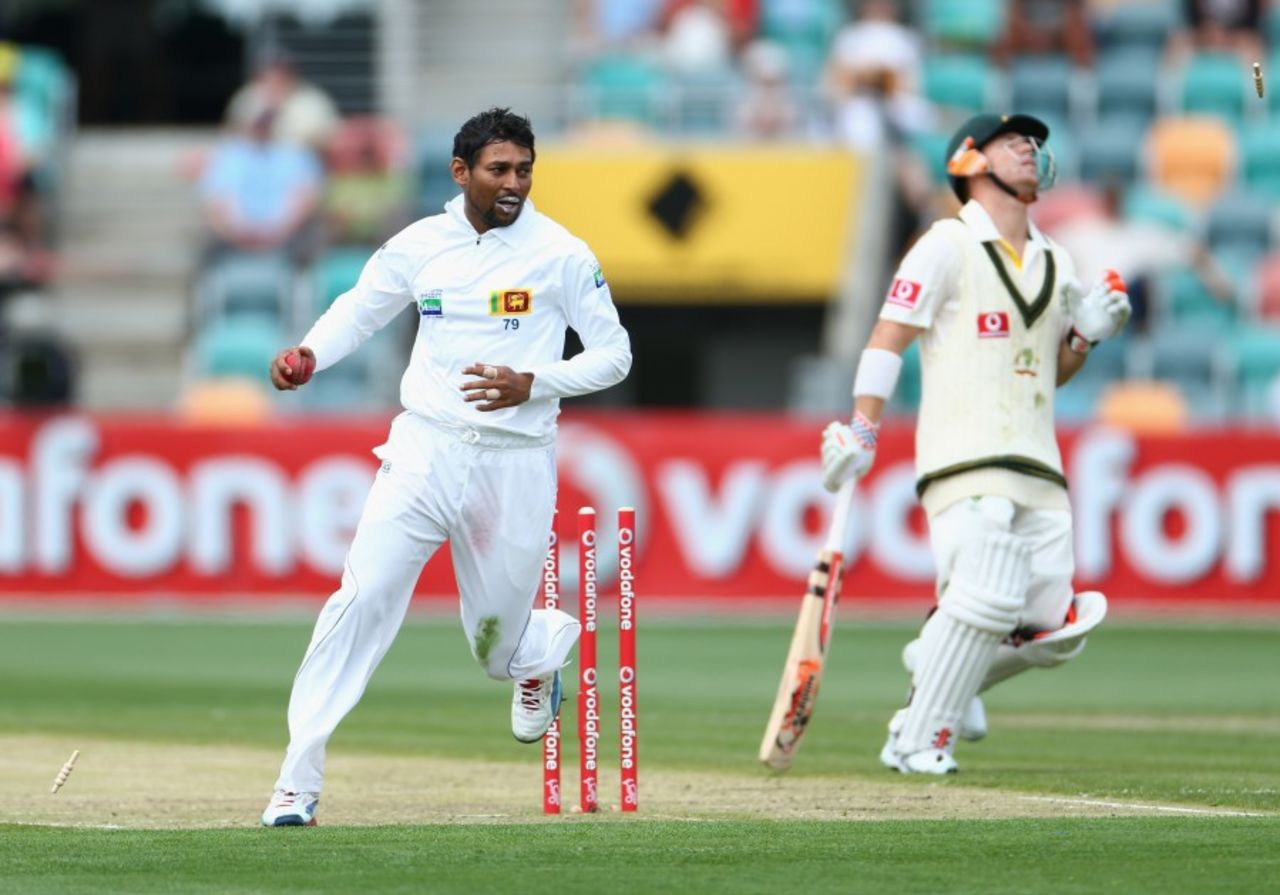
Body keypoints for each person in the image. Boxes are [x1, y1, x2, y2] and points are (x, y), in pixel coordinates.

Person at [260, 108, 632, 825]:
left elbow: (615, 354)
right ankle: (296, 782)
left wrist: (537, 381)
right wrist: (308, 353)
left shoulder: (561, 253)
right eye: (499, 169)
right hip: (424, 449)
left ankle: (538, 652)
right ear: (461, 172)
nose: (514, 182)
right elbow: (360, 310)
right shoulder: (421, 243)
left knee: (494, 648)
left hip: (513, 463)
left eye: (524, 168)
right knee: (359, 600)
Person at [819, 113, 1131, 774]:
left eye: (1034, 141)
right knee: (986, 592)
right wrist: (863, 427)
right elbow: (888, 337)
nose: (1029, 147)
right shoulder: (945, 243)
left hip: (1040, 463)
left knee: (1055, 628)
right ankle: (919, 738)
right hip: (962, 455)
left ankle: (934, 660)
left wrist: (1085, 336)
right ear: (967, 160)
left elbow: (1054, 367)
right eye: (1011, 140)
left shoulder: (1057, 257)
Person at [200, 108, 323, 263]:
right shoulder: (227, 156)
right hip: (234, 236)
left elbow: (306, 199)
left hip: (288, 237)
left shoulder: (297, 154)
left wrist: (278, 232)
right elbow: (215, 204)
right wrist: (237, 233)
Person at [225, 49, 340, 155]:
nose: (275, 77)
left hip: (297, 160)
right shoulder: (247, 97)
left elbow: (327, 139)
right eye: (270, 71)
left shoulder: (312, 100)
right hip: (254, 158)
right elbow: (233, 133)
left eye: (281, 71)